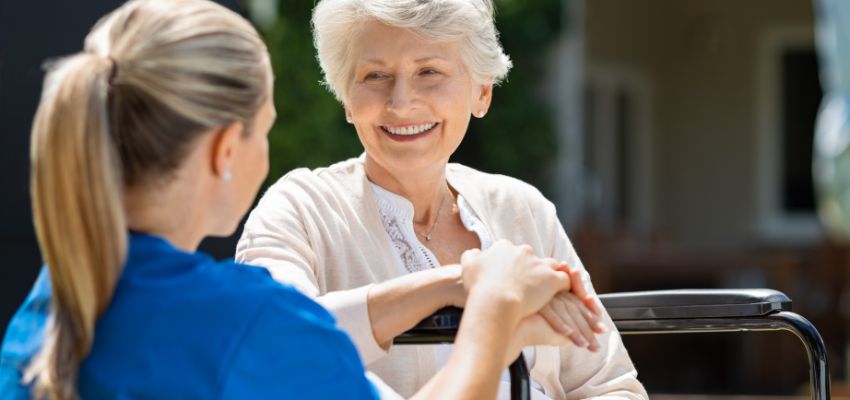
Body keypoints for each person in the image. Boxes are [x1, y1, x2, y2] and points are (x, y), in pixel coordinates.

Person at [0, 0, 584, 398]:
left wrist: (452, 282)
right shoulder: (248, 323)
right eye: (267, 127)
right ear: (228, 148)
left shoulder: (55, 301)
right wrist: (494, 314)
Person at [235, 0, 648, 399]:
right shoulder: (299, 209)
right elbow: (272, 345)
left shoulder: (522, 208)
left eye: (429, 71)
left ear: (481, 92)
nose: (401, 102)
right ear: (346, 97)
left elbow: (609, 385)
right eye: (375, 76)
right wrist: (463, 285)